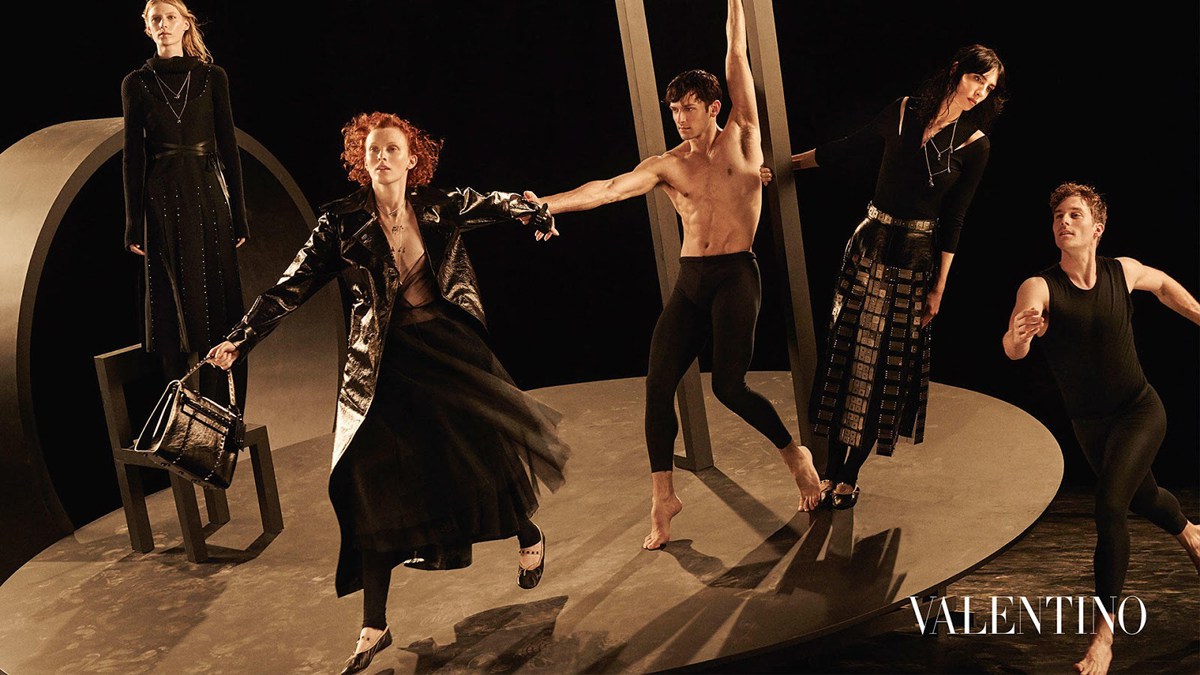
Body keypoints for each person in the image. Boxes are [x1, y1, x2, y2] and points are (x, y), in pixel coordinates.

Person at [206, 112, 569, 675]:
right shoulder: (340, 223)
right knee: (368, 485)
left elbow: (493, 202)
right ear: (361, 159)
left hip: (447, 349)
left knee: (480, 456)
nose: (381, 157)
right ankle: (373, 624)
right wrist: (240, 338)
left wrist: (534, 210)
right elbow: (288, 287)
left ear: (412, 159)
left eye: (392, 148)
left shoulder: (439, 205)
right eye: (372, 149)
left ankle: (527, 532)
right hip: (380, 366)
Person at [524, 0, 822, 552]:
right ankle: (663, 496)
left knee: (729, 386)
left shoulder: (743, 135)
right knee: (658, 385)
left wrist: (735, 6)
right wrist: (546, 204)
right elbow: (607, 189)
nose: (681, 117)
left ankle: (794, 455)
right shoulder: (667, 164)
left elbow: (737, 53)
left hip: (735, 274)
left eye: (689, 107)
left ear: (714, 107)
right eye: (674, 109)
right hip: (692, 281)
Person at [789, 44, 1005, 509]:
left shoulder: (975, 143)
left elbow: (956, 219)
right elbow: (847, 147)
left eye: (988, 89)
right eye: (976, 80)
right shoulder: (905, 110)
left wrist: (939, 288)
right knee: (847, 355)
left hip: (915, 259)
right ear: (957, 71)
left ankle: (849, 475)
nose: (979, 93)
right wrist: (787, 165)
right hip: (868, 245)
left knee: (885, 365)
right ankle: (829, 470)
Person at [1002, 183, 1200, 675]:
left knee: (1111, 505)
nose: (1063, 222)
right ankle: (1193, 534)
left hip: (1139, 410)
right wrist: (1020, 337)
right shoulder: (1040, 286)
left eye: (1074, 215)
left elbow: (1162, 284)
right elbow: (1013, 347)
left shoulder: (1122, 271)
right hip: (1090, 425)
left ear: (1097, 227)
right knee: (1144, 497)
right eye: (1057, 216)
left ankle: (1103, 638)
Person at [122, 0, 248, 405]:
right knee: (167, 303)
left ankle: (218, 410)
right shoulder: (136, 83)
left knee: (215, 300)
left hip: (207, 193)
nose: (163, 24)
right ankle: (177, 413)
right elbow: (133, 157)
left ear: (185, 24)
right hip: (160, 198)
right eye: (155, 19)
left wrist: (239, 215)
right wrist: (132, 223)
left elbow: (229, 147)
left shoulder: (212, 77)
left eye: (170, 17)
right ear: (147, 28)